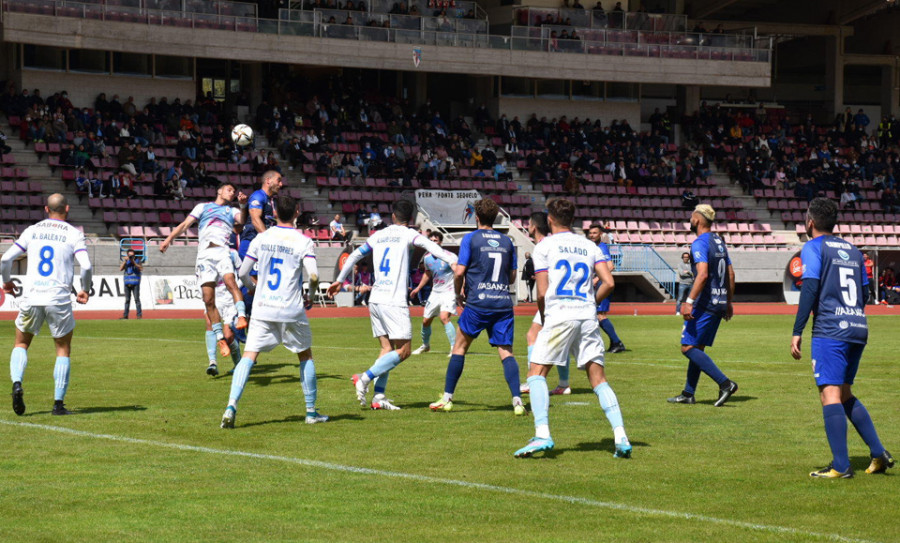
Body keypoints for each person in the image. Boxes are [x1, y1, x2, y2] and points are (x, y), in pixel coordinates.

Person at [514, 198, 631, 458]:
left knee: (536, 373)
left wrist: (545, 318)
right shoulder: (589, 245)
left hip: (559, 314)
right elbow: (609, 282)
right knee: (599, 380)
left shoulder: (544, 246)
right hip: (587, 316)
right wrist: (592, 303)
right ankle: (621, 436)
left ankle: (542, 434)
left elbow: (542, 293)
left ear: (550, 219)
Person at [791, 197, 894, 478]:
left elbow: (810, 288)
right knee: (845, 392)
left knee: (830, 394)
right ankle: (878, 453)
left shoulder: (813, 247)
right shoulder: (853, 250)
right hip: (857, 326)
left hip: (830, 329)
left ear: (810, 222)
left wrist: (797, 330)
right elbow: (865, 295)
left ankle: (840, 466)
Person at [327, 199, 457, 410]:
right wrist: (452, 260)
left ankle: (379, 397)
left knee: (387, 349)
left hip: (375, 299)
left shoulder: (378, 235)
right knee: (404, 351)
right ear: (411, 219)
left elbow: (354, 255)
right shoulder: (408, 234)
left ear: (393, 216)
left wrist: (340, 280)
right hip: (393, 301)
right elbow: (430, 245)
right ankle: (365, 377)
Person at [221, 195, 328, 428]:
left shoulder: (262, 238)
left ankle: (231, 406)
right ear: (297, 213)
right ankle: (311, 412)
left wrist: (253, 288)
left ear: (275, 213)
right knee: (305, 355)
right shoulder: (303, 241)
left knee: (249, 356)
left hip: (263, 307)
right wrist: (310, 295)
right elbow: (314, 275)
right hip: (290, 308)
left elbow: (243, 273)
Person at [428, 198, 524, 415]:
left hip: (478, 303)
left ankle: (447, 398)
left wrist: (457, 294)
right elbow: (510, 277)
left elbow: (459, 272)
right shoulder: (507, 241)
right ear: (496, 217)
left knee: (459, 348)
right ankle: (517, 401)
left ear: (476, 217)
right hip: (502, 304)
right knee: (506, 352)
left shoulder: (470, 239)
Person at [1, 194, 93, 416]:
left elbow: (4, 260)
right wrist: (85, 289)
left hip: (32, 297)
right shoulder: (74, 234)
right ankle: (58, 404)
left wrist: (7, 282)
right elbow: (87, 266)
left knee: (21, 344)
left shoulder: (32, 230)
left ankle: (16, 383)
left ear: (45, 209)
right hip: (58, 298)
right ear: (67, 209)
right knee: (62, 349)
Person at [160, 182, 249, 359]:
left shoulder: (231, 211)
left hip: (222, 251)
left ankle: (241, 316)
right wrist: (168, 239)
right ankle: (219, 338)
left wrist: (243, 205)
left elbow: (243, 220)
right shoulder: (203, 207)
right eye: (228, 189)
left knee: (231, 282)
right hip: (204, 255)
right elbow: (185, 224)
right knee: (208, 299)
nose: (231, 193)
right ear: (219, 190)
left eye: (233, 191)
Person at [667, 204, 739, 407]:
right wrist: (729, 301)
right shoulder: (719, 241)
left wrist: (688, 302)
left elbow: (703, 274)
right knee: (697, 347)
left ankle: (725, 384)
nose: (690, 220)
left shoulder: (699, 243)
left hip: (704, 302)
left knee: (687, 347)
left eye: (691, 216)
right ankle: (688, 393)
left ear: (697, 219)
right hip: (719, 301)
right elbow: (731, 274)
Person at [519, 211, 572, 396]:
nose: (527, 226)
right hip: (566, 298)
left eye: (528, 223)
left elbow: (545, 280)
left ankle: (531, 380)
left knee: (532, 336)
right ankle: (563, 383)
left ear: (533, 226)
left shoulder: (543, 246)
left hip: (552, 300)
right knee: (561, 342)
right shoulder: (555, 244)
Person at [410, 232, 457, 356]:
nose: (433, 243)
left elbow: (459, 273)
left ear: (440, 242)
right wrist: (418, 288)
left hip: (449, 291)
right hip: (435, 292)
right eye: (431, 241)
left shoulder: (450, 256)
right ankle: (425, 345)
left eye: (435, 240)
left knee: (444, 317)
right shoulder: (427, 258)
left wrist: (461, 289)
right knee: (426, 321)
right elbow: (427, 274)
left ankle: (454, 347)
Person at [204, 247, 245, 377]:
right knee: (210, 325)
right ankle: (212, 363)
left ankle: (239, 365)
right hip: (214, 296)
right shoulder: (204, 254)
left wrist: (234, 286)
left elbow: (242, 272)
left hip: (229, 298)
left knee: (228, 335)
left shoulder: (232, 253)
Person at [587, 224, 625, 352]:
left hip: (602, 285)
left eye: (595, 233)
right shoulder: (592, 248)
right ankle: (614, 342)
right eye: (590, 233)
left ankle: (617, 342)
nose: (592, 235)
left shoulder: (601, 248)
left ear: (601, 235)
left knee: (600, 315)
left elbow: (610, 266)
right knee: (596, 315)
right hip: (598, 285)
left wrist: (598, 278)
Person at [239, 170, 283, 259]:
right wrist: (269, 241)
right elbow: (255, 220)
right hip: (251, 242)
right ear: (268, 180)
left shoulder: (273, 200)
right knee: (251, 273)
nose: (281, 184)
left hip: (263, 244)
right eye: (278, 180)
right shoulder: (258, 196)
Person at [119, 248, 143, 320]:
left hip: (135, 283)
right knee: (127, 300)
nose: (131, 257)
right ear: (127, 255)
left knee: (137, 299)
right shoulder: (126, 262)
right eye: (129, 255)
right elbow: (120, 269)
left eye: (132, 256)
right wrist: (125, 261)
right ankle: (125, 316)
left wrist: (133, 262)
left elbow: (141, 268)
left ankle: (139, 315)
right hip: (127, 283)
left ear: (134, 255)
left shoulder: (138, 261)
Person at [675, 251, 693, 316]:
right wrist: (689, 272)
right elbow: (681, 273)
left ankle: (689, 312)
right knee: (680, 298)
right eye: (684, 257)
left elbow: (693, 273)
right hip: (682, 284)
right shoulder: (680, 264)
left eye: (687, 257)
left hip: (691, 283)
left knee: (690, 299)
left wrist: (687, 272)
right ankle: (677, 311)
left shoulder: (691, 264)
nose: (686, 258)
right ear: (682, 258)